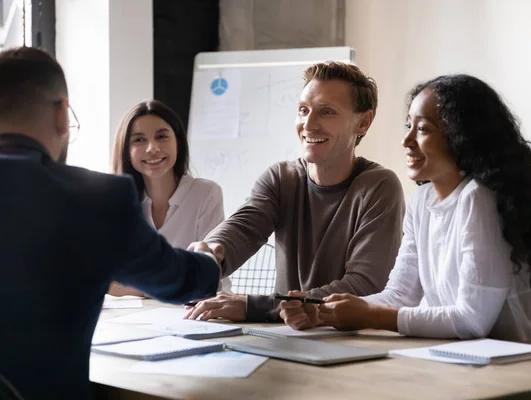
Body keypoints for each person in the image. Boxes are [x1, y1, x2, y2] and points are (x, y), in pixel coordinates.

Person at [0, 46, 221, 400]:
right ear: (61, 115)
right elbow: (180, 280)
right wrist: (208, 260)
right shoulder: (97, 197)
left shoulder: (199, 192)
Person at [281, 74, 531, 346]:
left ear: (463, 137)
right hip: (475, 367)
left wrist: (371, 316)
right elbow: (399, 295)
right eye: (408, 126)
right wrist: (322, 311)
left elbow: (472, 321)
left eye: (423, 129)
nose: (406, 141)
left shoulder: (478, 197)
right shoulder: (422, 201)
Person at [185, 61, 405, 322]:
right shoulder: (281, 178)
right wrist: (210, 252)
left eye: (327, 112)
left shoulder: (380, 187)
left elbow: (363, 286)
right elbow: (243, 227)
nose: (308, 124)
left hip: (349, 341)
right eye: (303, 110)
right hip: (285, 336)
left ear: (363, 123)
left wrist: (254, 307)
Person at [109, 100, 231, 296]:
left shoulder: (206, 194)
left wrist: (129, 287)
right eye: (139, 140)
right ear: (126, 152)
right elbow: (105, 279)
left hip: (197, 316)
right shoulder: (119, 203)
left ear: (178, 142)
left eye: (162, 136)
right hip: (136, 317)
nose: (152, 148)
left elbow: (207, 279)